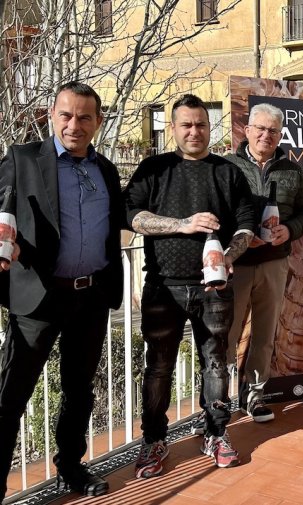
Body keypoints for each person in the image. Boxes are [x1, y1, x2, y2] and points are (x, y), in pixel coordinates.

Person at [0, 82, 124, 498]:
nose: (75, 125)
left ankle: (71, 467)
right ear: (51, 115)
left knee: (79, 392)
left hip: (90, 298)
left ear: (98, 121)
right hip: (37, 296)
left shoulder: (105, 168)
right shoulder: (23, 159)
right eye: (67, 115)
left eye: (85, 117)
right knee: (10, 395)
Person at [125, 94, 256, 478]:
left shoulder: (227, 171)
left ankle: (215, 433)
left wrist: (229, 256)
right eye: (186, 124)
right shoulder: (154, 169)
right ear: (173, 128)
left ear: (208, 125)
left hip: (213, 287)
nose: (194, 131)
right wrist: (181, 224)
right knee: (159, 367)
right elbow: (131, 215)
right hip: (163, 286)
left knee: (216, 362)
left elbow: (247, 222)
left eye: (200, 123)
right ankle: (153, 440)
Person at [224, 102, 303, 423]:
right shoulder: (226, 167)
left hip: (275, 263)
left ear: (280, 135)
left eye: (273, 131)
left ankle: (255, 396)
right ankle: (217, 403)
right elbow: (218, 214)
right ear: (247, 131)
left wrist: (289, 230)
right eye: (260, 129)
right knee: (226, 335)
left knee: (264, 335)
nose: (266, 135)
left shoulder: (291, 170)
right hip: (236, 265)